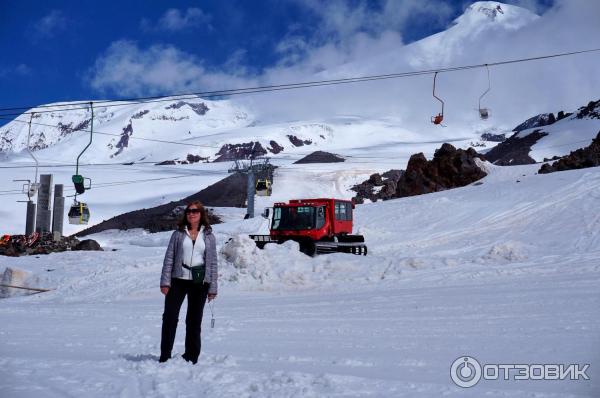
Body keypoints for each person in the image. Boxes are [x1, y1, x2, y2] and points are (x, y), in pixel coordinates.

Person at [159, 201, 218, 364]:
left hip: (200, 282)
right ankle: (165, 355)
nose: (191, 214)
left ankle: (191, 356)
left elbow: (212, 263)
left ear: (201, 214)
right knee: (170, 317)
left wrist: (213, 287)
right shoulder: (178, 234)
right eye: (189, 211)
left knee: (194, 320)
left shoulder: (209, 236)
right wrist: (165, 282)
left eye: (195, 211)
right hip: (178, 279)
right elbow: (169, 258)